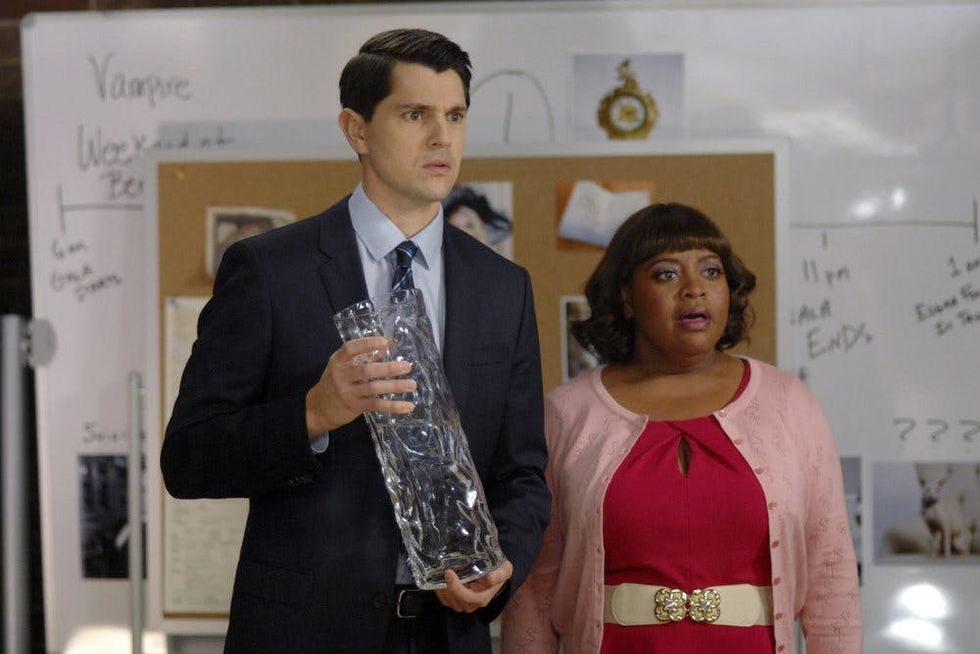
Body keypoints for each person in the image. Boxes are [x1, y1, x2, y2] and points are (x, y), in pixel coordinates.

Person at [161, 28, 550, 654]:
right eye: (415, 115)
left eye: (455, 116)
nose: (442, 138)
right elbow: (188, 458)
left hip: (448, 634)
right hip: (303, 634)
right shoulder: (269, 271)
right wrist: (312, 413)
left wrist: (499, 564)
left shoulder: (504, 287)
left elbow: (523, 474)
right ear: (357, 130)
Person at [501, 203, 861, 654]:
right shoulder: (566, 414)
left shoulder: (789, 402)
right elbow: (535, 589)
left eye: (711, 271)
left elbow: (831, 572)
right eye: (667, 274)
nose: (694, 289)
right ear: (627, 297)